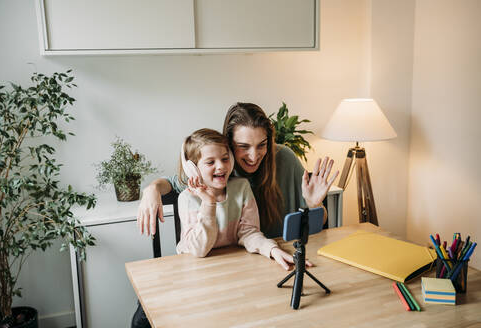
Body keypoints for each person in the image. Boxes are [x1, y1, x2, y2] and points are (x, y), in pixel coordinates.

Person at [132, 103, 338, 328]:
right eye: (243, 146)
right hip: (219, 270)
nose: (253, 155)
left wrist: (313, 204)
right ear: (229, 145)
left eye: (262, 145)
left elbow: (317, 221)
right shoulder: (215, 174)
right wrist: (151, 189)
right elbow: (172, 184)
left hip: (269, 262)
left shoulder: (283, 160)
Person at [176, 128, 288, 262]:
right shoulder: (187, 199)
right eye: (211, 162)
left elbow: (249, 233)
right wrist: (208, 203)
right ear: (192, 169)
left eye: (225, 159)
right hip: (195, 264)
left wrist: (271, 249)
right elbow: (200, 250)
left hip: (232, 260)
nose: (221, 166)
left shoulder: (241, 188)